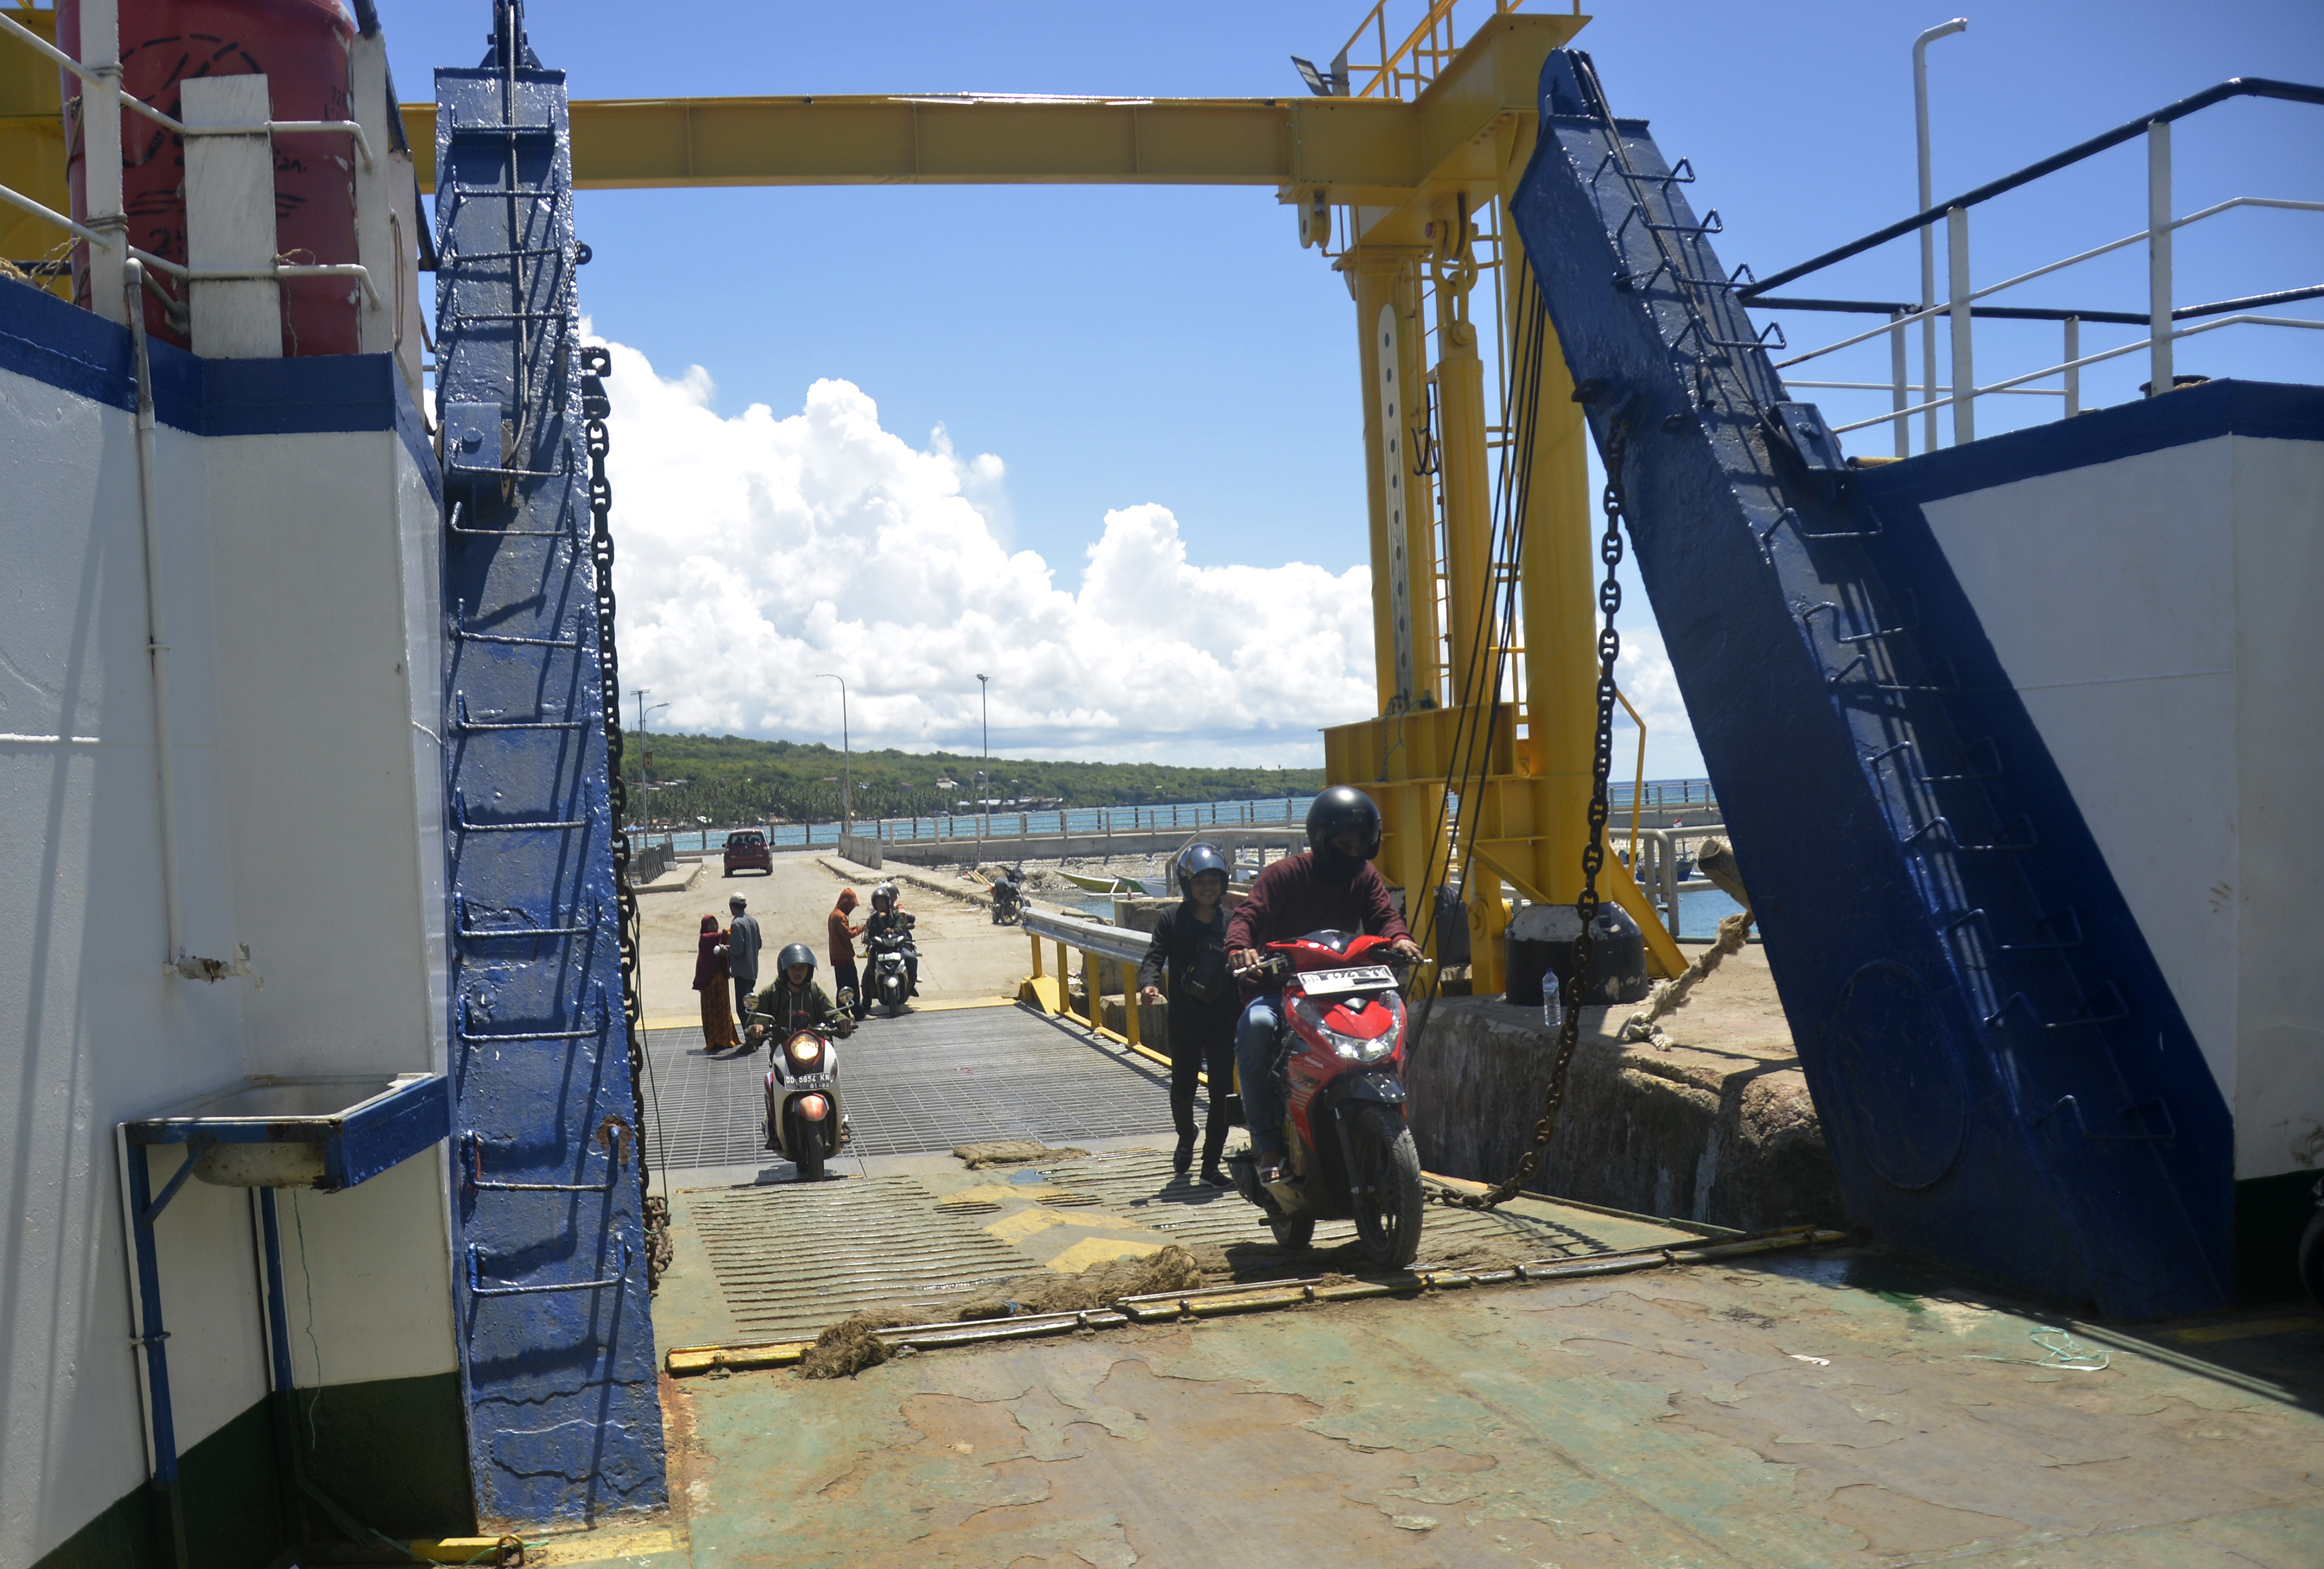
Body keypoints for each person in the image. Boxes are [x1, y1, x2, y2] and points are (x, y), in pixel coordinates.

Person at [1227, 786, 1423, 1183]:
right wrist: (1239, 948)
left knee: (1391, 1015)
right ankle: (1267, 1142)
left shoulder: (1365, 876)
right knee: (1257, 1026)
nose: (1354, 853)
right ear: (1322, 840)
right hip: (1281, 987)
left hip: (1340, 984)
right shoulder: (1284, 875)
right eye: (1345, 844)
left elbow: (1384, 916)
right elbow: (1247, 916)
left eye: (1362, 845)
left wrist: (1400, 939)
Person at [1138, 842, 1241, 1185]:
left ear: (1224, 883)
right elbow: (1154, 956)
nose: (1208, 887)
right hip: (1185, 1019)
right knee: (1182, 1088)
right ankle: (1186, 1135)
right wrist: (1149, 985)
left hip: (1224, 1018)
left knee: (1222, 1095)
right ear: (1187, 885)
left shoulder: (1233, 923)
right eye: (1200, 881)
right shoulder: (1171, 919)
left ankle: (1211, 1165)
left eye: (1214, 880)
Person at [746, 942, 855, 1044]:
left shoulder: (814, 991)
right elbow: (757, 1022)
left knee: (831, 1062)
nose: (797, 972)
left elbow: (831, 1013)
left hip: (815, 1046)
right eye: (793, 967)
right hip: (783, 1049)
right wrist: (756, 1028)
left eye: (802, 967)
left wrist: (843, 1021)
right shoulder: (771, 994)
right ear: (784, 969)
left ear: (809, 969)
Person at [862, 882, 919, 1001]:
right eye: (878, 903)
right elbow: (868, 929)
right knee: (868, 972)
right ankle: (866, 1000)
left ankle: (911, 984)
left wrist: (893, 931)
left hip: (896, 946)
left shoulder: (897, 914)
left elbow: (900, 927)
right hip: (879, 947)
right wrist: (868, 937)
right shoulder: (873, 918)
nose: (880, 905)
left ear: (887, 902)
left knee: (912, 959)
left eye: (882, 902)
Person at [693, 914, 741, 1052]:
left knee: (723, 1008)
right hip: (710, 982)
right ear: (705, 927)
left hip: (720, 982)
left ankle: (726, 1038)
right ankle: (715, 1040)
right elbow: (717, 938)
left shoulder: (715, 939)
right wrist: (727, 933)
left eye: (716, 924)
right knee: (712, 1009)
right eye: (711, 925)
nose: (714, 927)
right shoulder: (705, 939)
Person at [827, 887, 865, 1018]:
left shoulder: (834, 914)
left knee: (842, 987)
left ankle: (842, 1012)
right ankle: (858, 1013)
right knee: (853, 985)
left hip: (837, 956)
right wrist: (860, 929)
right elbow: (847, 934)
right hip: (845, 957)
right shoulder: (840, 916)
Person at [726, 893, 762, 1029]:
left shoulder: (736, 924)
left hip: (741, 972)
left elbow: (737, 950)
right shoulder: (752, 921)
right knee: (751, 1005)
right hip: (752, 970)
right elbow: (759, 943)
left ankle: (750, 1037)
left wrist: (726, 950)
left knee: (743, 1009)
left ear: (732, 907)